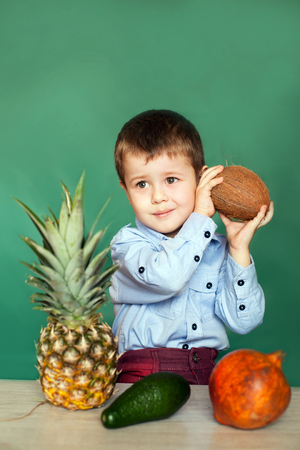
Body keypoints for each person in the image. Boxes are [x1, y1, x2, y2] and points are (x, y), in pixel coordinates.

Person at [109, 109, 274, 385]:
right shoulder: (127, 246)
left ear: (200, 180)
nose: (158, 197)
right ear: (126, 191)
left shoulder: (216, 250)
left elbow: (244, 323)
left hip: (207, 373)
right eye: (141, 184)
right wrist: (199, 219)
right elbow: (168, 278)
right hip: (142, 374)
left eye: (171, 180)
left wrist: (238, 250)